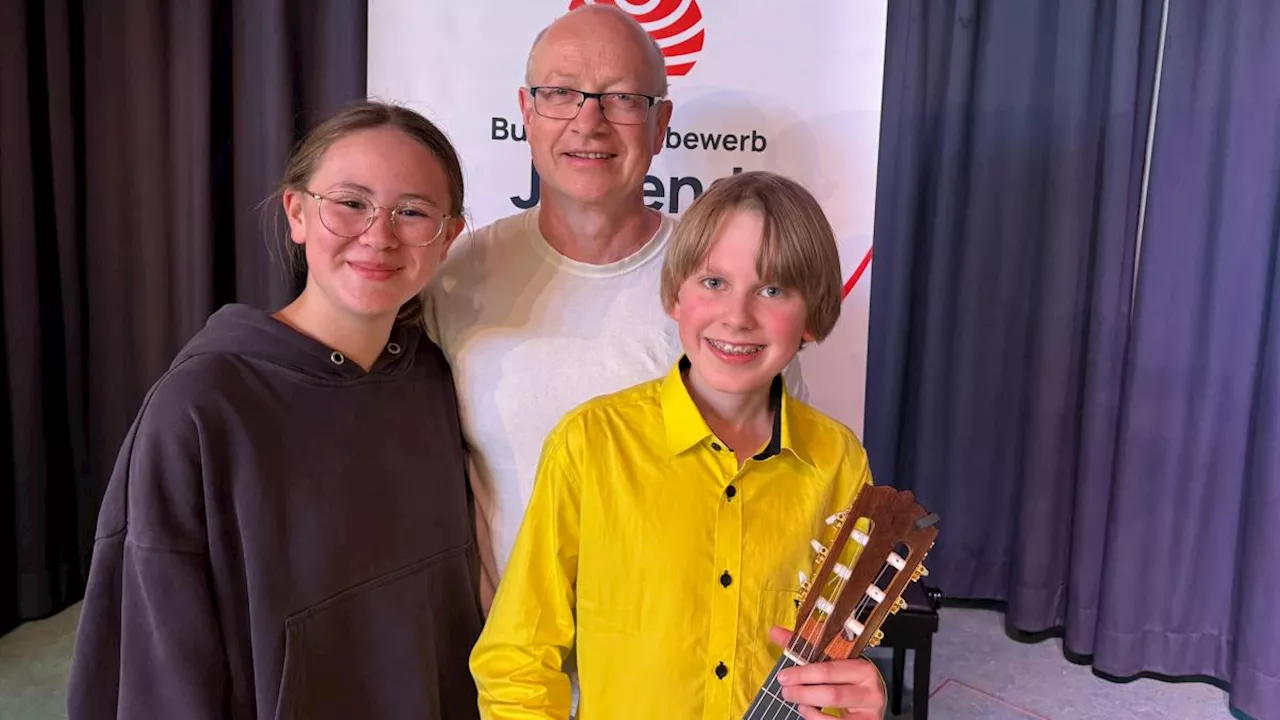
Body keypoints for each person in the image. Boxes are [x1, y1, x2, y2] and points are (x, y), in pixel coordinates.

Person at [67, 101, 483, 719]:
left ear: (447, 237)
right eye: (349, 202)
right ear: (297, 213)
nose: (378, 235)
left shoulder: (435, 382)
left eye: (413, 211)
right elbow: (154, 668)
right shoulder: (201, 407)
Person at [469, 171, 887, 719]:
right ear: (675, 297)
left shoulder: (839, 461)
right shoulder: (591, 444)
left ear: (811, 319)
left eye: (772, 289)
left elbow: (832, 653)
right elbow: (517, 658)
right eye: (714, 283)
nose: (737, 317)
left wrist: (854, 699)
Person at [426, 4, 804, 608]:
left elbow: (789, 490)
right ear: (526, 112)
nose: (589, 122)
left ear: (661, 124)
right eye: (560, 93)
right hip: (517, 676)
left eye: (622, 99)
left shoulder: (728, 290)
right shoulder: (456, 276)